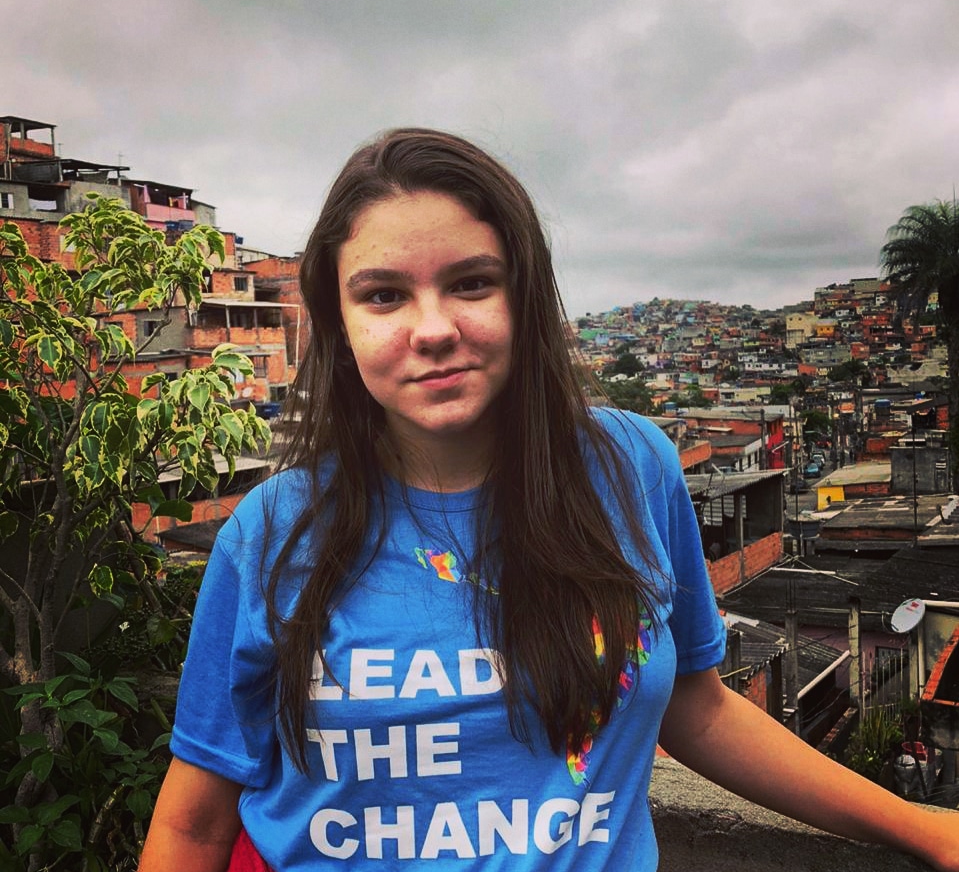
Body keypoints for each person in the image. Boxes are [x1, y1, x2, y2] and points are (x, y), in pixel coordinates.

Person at [139, 128, 959, 872]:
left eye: (471, 282)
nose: (432, 328)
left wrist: (923, 828)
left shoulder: (629, 467)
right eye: (383, 295)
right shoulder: (274, 532)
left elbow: (694, 704)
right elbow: (192, 824)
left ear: (524, 295)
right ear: (340, 323)